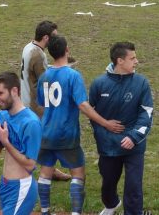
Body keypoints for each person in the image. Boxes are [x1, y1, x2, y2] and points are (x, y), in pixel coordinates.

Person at [36, 35, 124, 215]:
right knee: (78, 174)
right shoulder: (73, 75)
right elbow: (83, 105)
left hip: (45, 132)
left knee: (45, 173)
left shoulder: (44, 76)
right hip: (66, 133)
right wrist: (106, 123)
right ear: (67, 50)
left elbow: (41, 105)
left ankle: (45, 211)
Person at [89, 42, 154, 215]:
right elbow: (91, 112)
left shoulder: (141, 83)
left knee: (134, 187)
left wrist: (133, 137)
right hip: (108, 145)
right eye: (132, 58)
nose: (136, 61)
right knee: (108, 183)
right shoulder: (99, 84)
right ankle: (111, 204)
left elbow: (146, 114)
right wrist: (103, 130)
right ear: (120, 61)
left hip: (134, 146)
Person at [20, 21, 72, 182]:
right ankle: (48, 171)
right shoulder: (39, 55)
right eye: (54, 37)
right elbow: (45, 81)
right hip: (36, 104)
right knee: (47, 138)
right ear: (45, 37)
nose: (57, 41)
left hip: (26, 98)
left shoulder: (28, 47)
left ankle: (49, 169)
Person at [0, 71, 42, 215]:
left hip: (21, 189)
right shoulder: (4, 116)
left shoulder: (31, 123)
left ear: (14, 91)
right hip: (5, 185)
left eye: (0, 93)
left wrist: (6, 141)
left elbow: (30, 164)